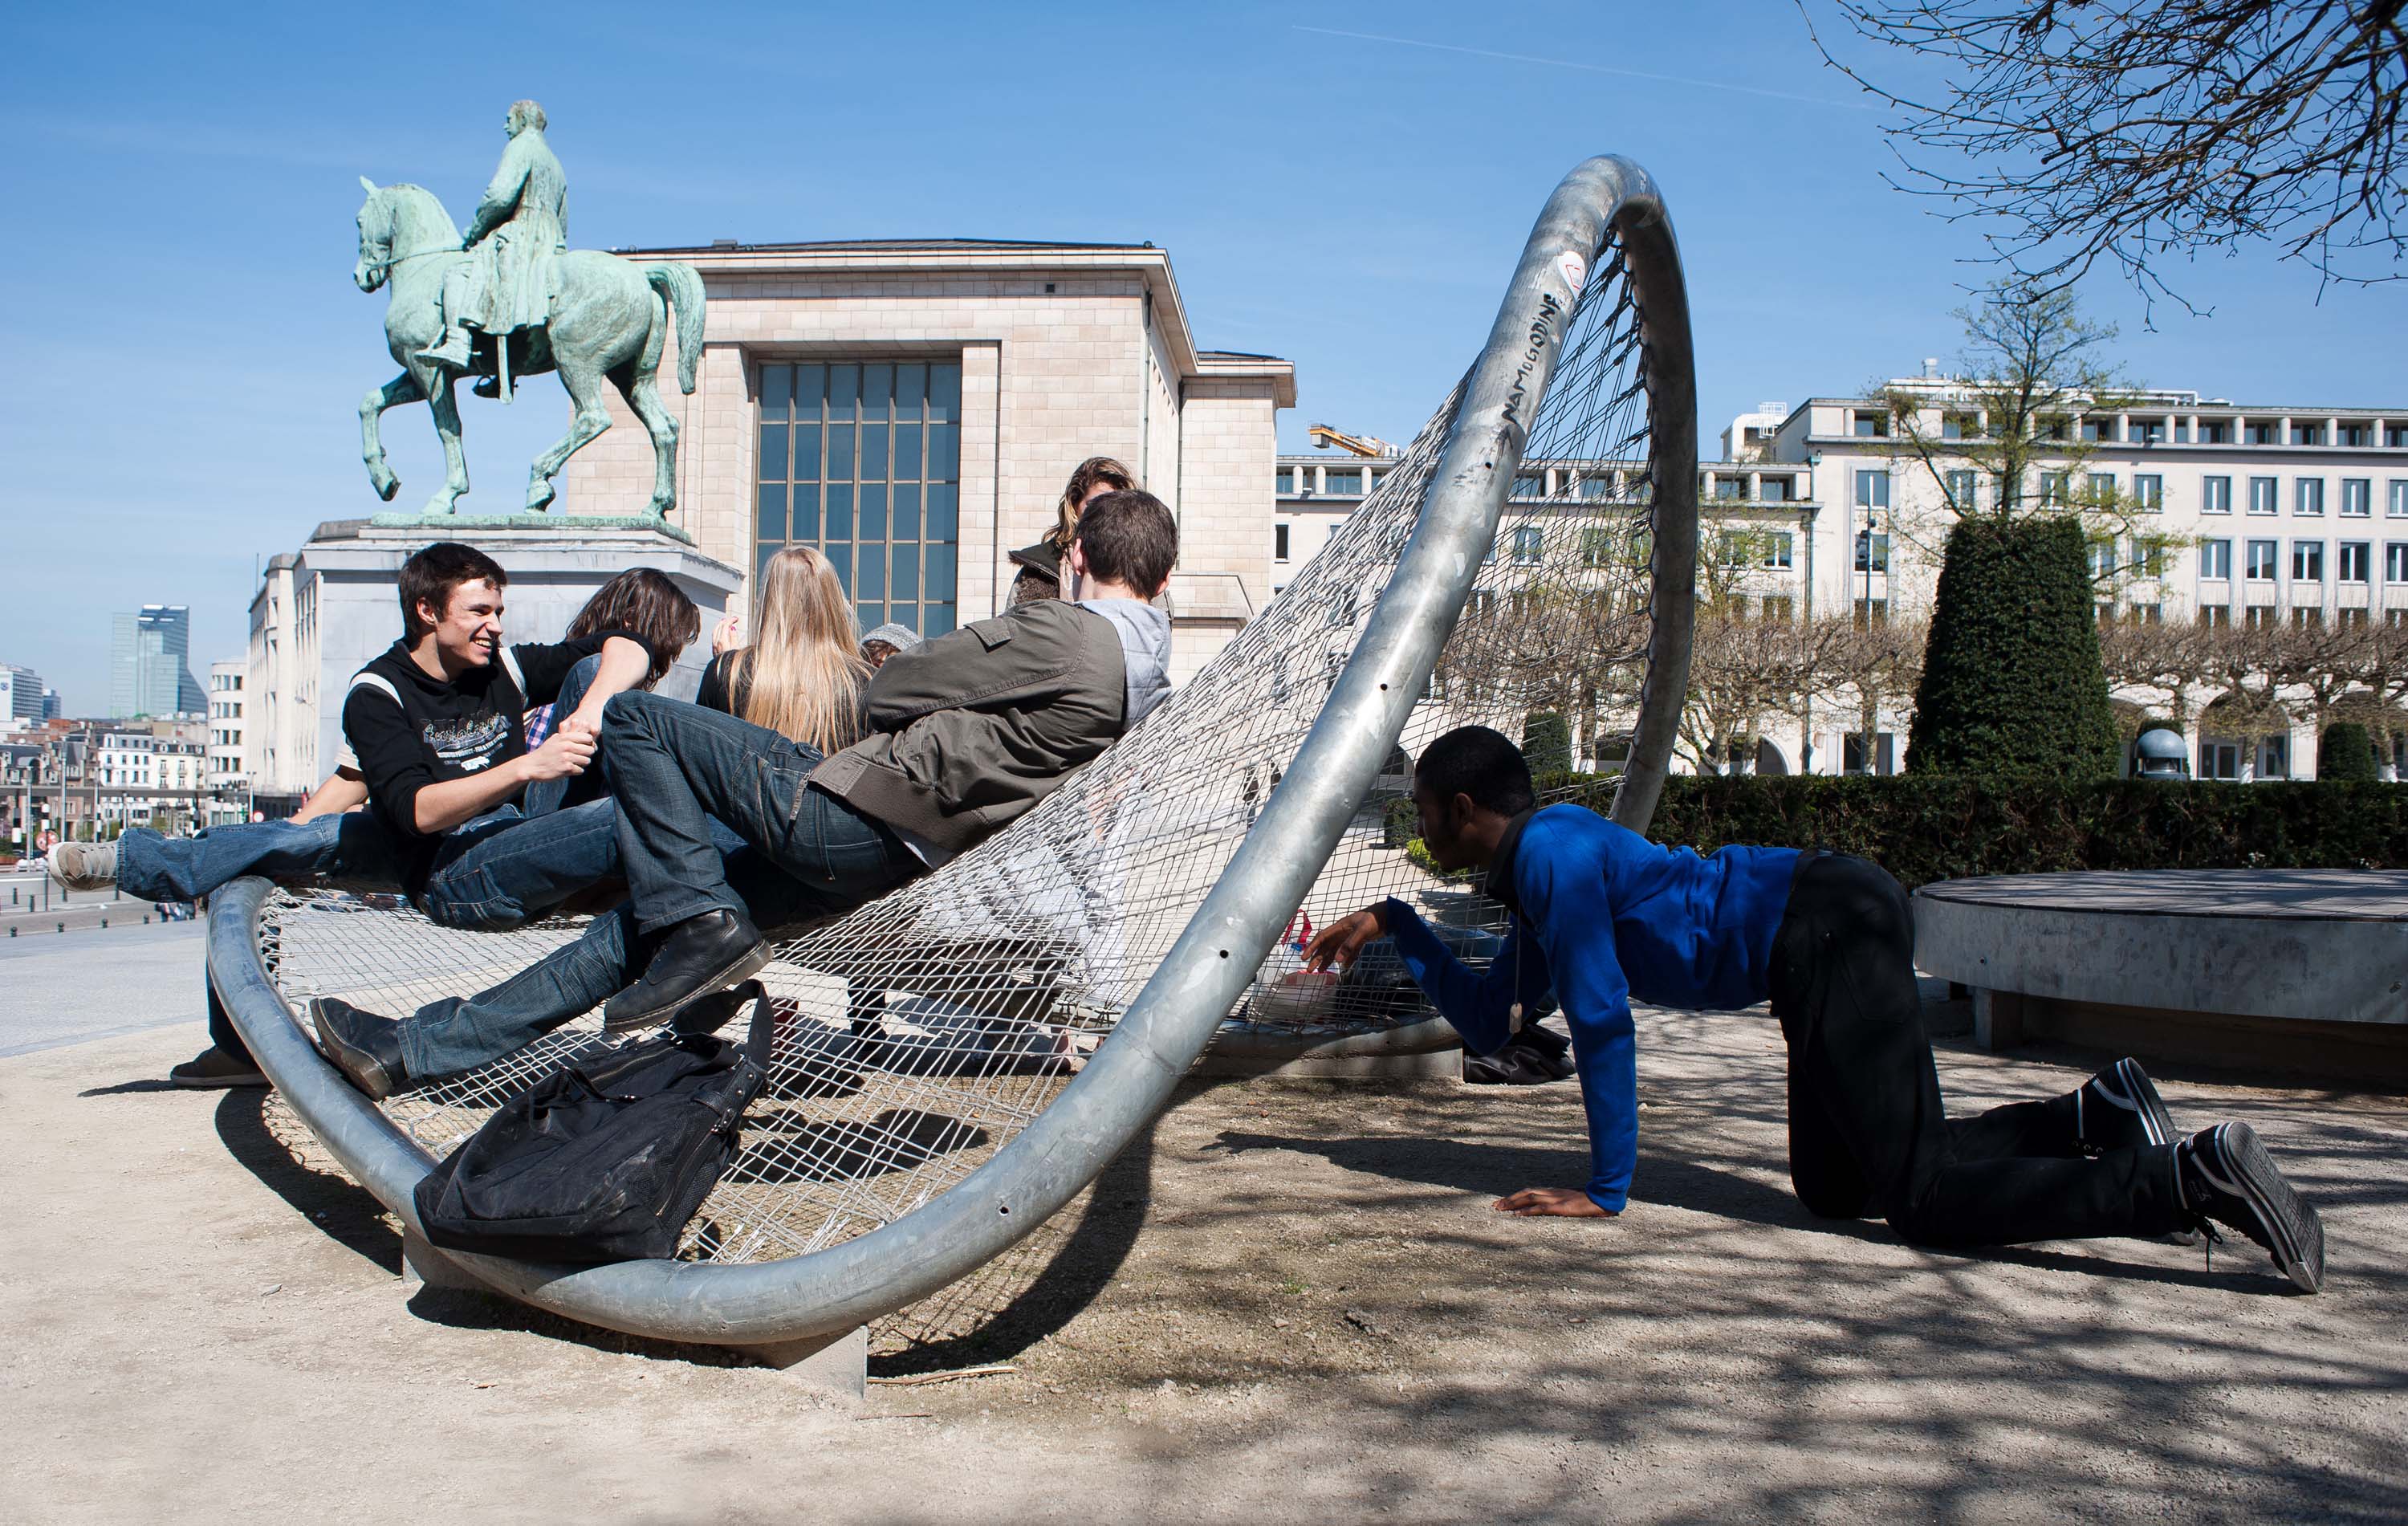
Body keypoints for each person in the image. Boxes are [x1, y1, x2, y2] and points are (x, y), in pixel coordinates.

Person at [1304, 725, 2327, 1293]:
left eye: (1425, 814)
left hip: (1822, 926)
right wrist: (1402, 920)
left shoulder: (1556, 860)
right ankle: (2097, 1114)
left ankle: (2189, 1177)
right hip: (1813, 939)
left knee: (1922, 1198)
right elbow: (1494, 1023)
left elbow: (1603, 1021)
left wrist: (1606, 1189)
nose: (1422, 830)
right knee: (1837, 1183)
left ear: (1467, 809)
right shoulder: (1541, 864)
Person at [312, 490, 1179, 1097]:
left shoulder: (1068, 631)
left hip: (852, 811)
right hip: (897, 858)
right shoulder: (1150, 680)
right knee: (633, 932)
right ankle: (414, 1050)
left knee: (638, 721)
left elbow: (898, 684)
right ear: (1164, 578)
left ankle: (699, 924)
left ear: (1076, 556)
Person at [417, 98, 567, 389]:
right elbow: (563, 218)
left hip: (523, 232)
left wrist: (475, 231)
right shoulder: (555, 163)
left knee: (459, 273)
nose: (505, 126)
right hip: (550, 239)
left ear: (523, 120)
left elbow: (499, 196)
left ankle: (457, 342)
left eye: (509, 119)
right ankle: (504, 370)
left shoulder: (521, 146)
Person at [1007, 456, 1137, 605]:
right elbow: (1014, 619)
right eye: (1094, 504)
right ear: (1075, 506)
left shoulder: (1141, 568)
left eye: (1113, 505)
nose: (1104, 513)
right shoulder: (1037, 572)